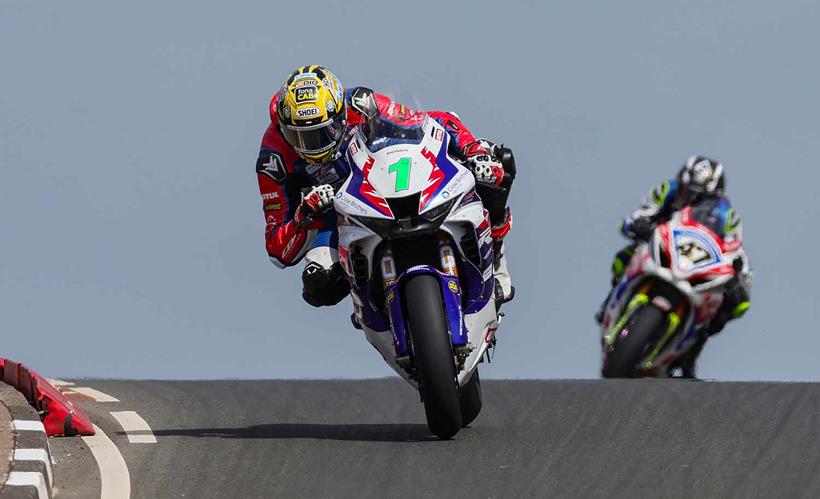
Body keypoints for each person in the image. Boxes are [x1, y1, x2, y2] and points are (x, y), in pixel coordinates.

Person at [256, 65, 515, 308]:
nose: (313, 146)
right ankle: (368, 302)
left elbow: (433, 121)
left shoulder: (361, 103)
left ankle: (496, 251)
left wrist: (473, 150)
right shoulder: (273, 159)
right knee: (317, 285)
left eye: (323, 133)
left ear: (340, 114)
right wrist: (304, 215)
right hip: (335, 217)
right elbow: (277, 249)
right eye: (298, 136)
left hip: (388, 181)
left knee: (498, 165)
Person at [596, 155, 752, 377]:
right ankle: (610, 304)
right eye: (686, 190)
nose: (688, 197)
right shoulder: (666, 190)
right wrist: (637, 224)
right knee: (624, 256)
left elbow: (736, 248)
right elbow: (639, 215)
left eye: (697, 195)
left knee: (733, 304)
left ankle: (690, 356)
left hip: (697, 264)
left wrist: (740, 276)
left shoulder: (728, 215)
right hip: (659, 246)